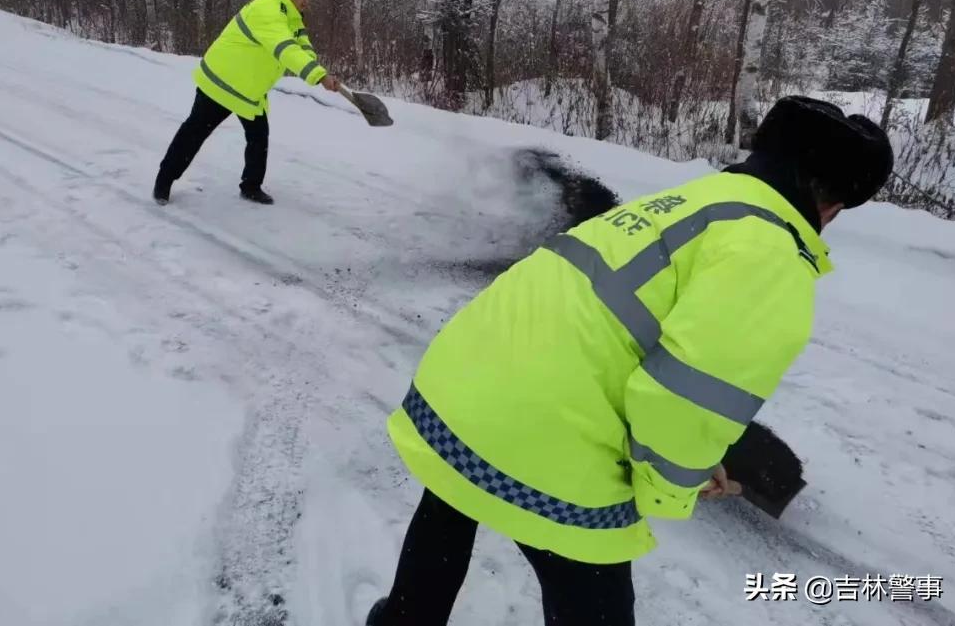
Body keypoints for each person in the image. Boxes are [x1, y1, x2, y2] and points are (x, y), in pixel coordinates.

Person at [367, 96, 894, 626]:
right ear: (832, 205)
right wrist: (671, 484)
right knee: (591, 594)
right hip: (538, 427)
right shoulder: (771, 253)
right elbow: (689, 392)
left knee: (453, 502)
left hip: (462, 386)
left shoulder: (701, 198)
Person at [153, 0, 341, 206]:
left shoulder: (290, 12)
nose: (307, 0)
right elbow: (285, 49)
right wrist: (319, 77)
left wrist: (318, 69)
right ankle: (163, 181)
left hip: (249, 89)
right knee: (195, 132)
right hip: (222, 81)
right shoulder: (269, 10)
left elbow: (300, 42)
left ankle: (251, 186)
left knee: (258, 136)